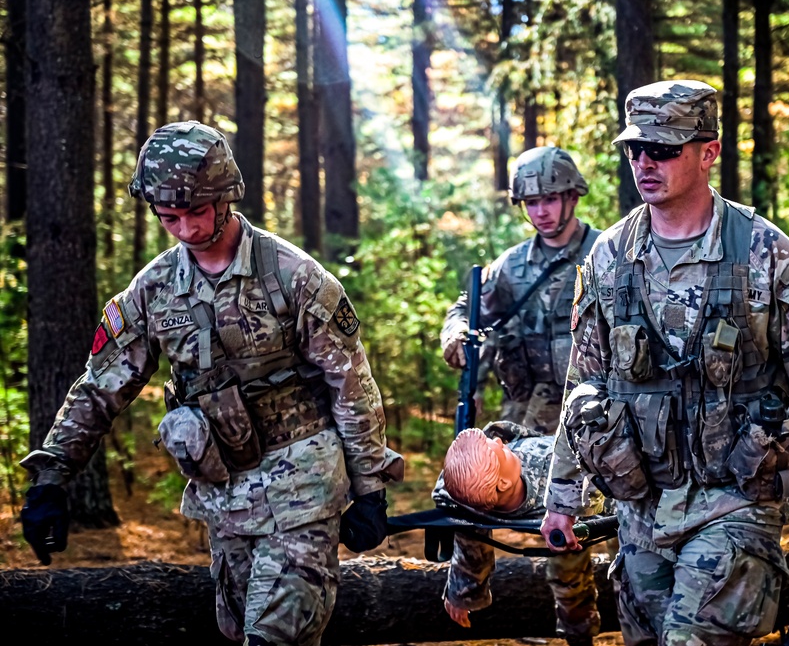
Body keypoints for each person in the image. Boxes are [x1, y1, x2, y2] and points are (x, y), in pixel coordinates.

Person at [18, 121, 403, 646]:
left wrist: (370, 488)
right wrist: (52, 475)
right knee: (234, 630)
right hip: (225, 497)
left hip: (304, 489)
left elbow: (352, 385)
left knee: (276, 639)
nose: (184, 228)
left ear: (225, 199)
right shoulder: (154, 289)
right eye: (168, 216)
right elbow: (102, 385)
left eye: (195, 212)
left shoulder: (295, 276)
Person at [540, 80, 789, 646]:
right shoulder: (609, 257)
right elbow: (585, 385)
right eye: (635, 149)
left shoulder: (764, 252)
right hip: (641, 507)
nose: (645, 163)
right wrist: (562, 500)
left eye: (664, 149)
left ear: (709, 152)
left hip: (738, 499)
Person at [440, 146, 601, 432]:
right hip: (526, 418)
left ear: (573, 196)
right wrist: (457, 333)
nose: (540, 212)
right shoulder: (511, 266)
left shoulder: (605, 253)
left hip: (595, 413)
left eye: (549, 199)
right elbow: (469, 311)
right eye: (530, 202)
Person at [432, 422, 604, 646]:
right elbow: (470, 549)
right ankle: (580, 636)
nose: (500, 442)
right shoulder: (461, 493)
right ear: (503, 483)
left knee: (586, 567)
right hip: (564, 491)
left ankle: (590, 629)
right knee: (569, 573)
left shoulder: (557, 475)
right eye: (502, 451)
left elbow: (505, 431)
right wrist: (462, 594)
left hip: (587, 465)